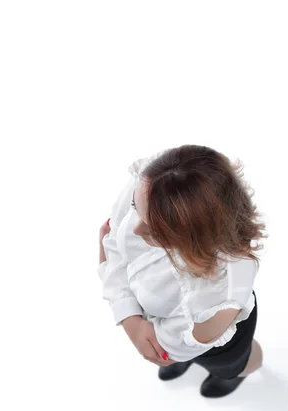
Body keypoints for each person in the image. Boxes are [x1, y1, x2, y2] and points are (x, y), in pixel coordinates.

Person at [97, 145, 266, 397]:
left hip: (217, 343)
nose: (135, 229)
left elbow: (166, 350)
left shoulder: (220, 297)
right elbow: (112, 246)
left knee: (232, 363)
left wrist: (133, 320)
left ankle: (238, 372)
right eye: (135, 206)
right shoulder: (157, 184)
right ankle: (194, 362)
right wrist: (134, 321)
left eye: (157, 230)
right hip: (172, 323)